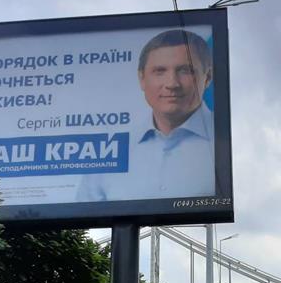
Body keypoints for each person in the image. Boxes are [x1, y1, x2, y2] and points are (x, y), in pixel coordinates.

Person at [77, 29, 215, 202]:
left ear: (207, 77)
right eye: (159, 71)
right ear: (141, 78)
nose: (172, 84)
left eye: (185, 71)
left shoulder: (227, 141)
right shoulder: (110, 153)